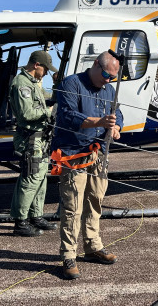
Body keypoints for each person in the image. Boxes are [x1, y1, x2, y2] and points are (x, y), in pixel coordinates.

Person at [51, 51, 123, 280]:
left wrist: (115, 127)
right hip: (74, 154)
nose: (108, 80)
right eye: (105, 74)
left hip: (98, 153)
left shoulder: (109, 89)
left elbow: (117, 112)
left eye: (112, 77)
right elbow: (68, 116)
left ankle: (93, 247)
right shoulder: (71, 83)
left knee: (95, 200)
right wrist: (99, 122)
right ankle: (68, 255)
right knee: (73, 206)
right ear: (94, 65)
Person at [8, 50, 59, 237]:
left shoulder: (33, 83)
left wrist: (56, 85)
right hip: (29, 139)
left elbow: (48, 98)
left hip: (40, 138)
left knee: (40, 178)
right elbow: (26, 114)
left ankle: (35, 215)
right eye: (45, 68)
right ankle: (20, 222)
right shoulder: (22, 83)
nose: (45, 72)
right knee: (30, 179)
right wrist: (49, 112)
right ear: (36, 65)